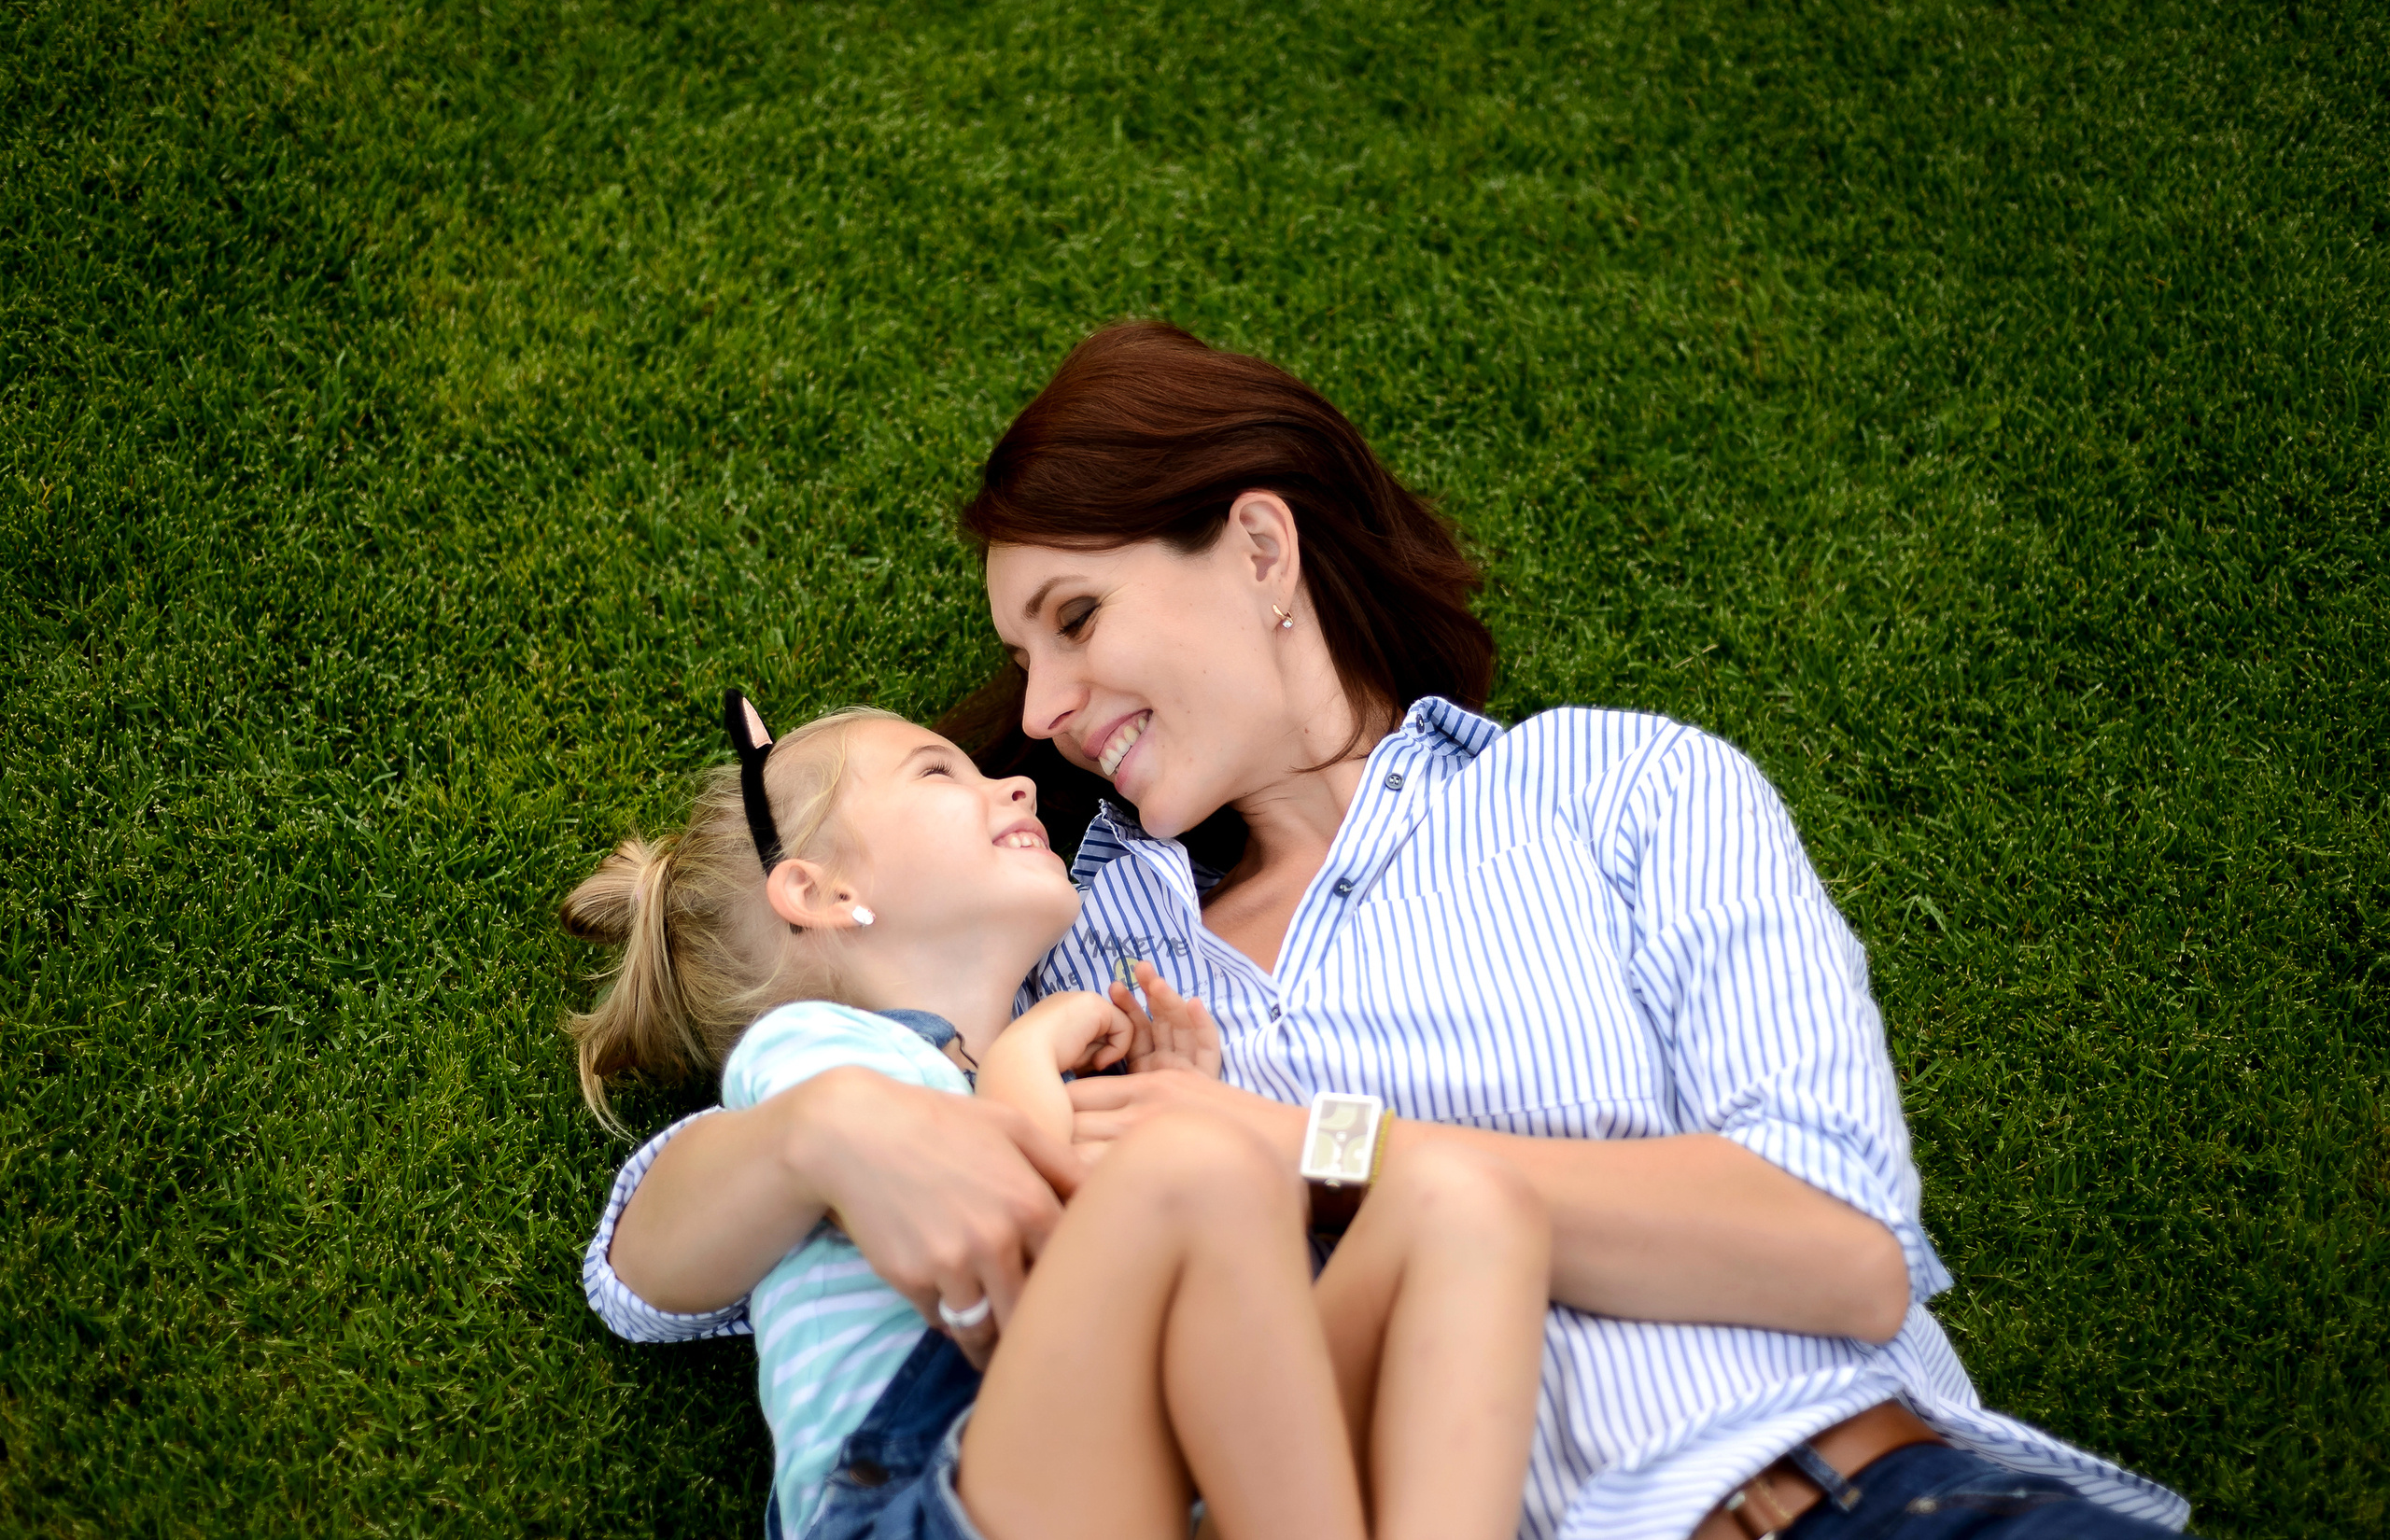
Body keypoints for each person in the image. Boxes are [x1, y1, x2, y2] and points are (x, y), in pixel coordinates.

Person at [583, 322, 2196, 1540]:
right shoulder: (1070, 959)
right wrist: (826, 1129)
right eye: (1023, 667)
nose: (1045, 711)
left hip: (1868, 1503)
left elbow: (1839, 1250)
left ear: (1260, 547)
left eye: (1076, 619)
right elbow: (656, 1265)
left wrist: (1307, 1144)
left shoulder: (1616, 785)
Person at [561, 694, 1552, 1540]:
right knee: (1195, 1171)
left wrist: (1175, 1116)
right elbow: (1012, 1207)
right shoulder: (819, 1050)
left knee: (1469, 1207)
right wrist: (1043, 1066)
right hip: (919, 1488)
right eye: (939, 773)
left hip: (1139, 1473)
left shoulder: (1040, 1075)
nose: (1018, 786)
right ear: (821, 892)